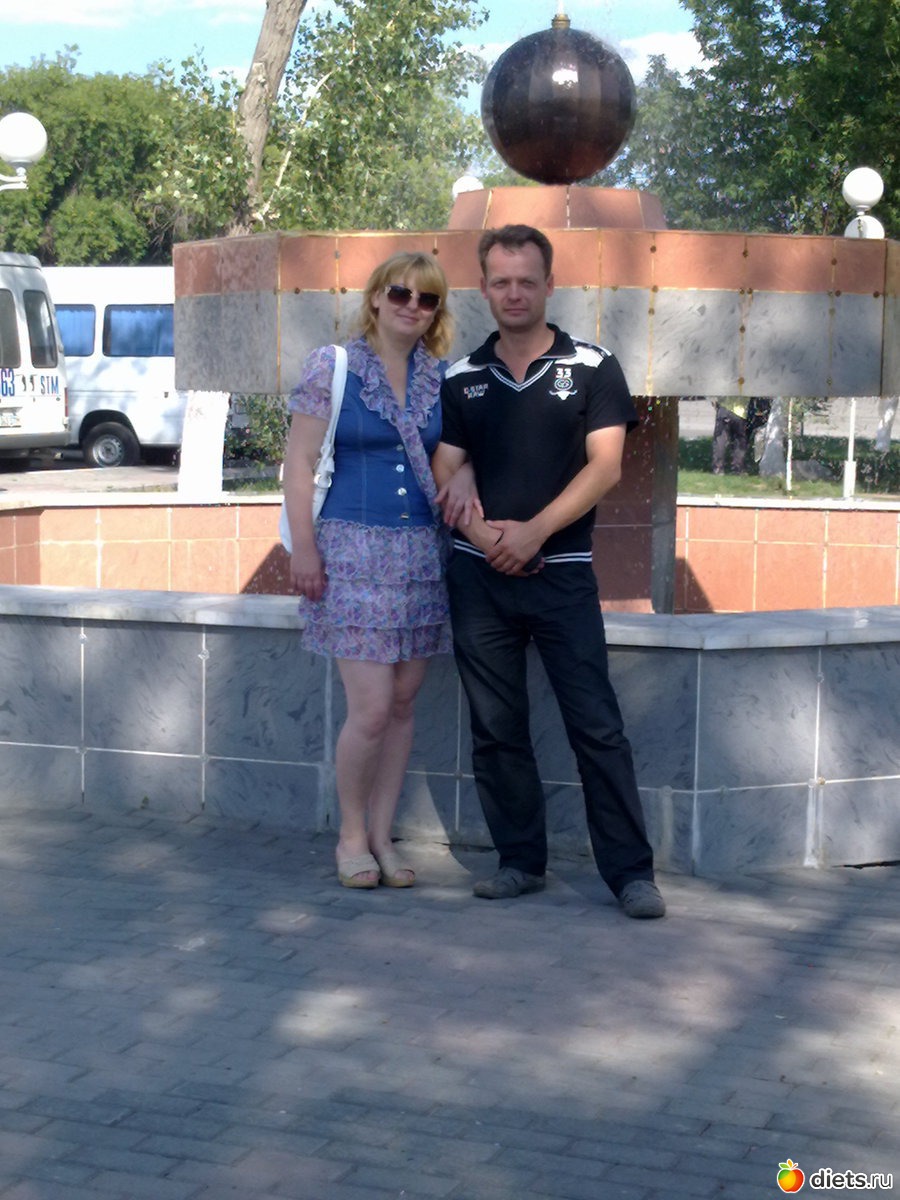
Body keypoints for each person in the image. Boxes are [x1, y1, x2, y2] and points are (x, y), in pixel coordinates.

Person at [433, 224, 665, 919]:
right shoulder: (461, 377)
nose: (514, 293)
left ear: (549, 286)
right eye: (501, 282)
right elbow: (446, 467)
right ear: (484, 288)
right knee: (496, 728)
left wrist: (532, 532)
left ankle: (631, 875)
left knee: (597, 727)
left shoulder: (594, 367)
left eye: (526, 281)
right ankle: (519, 862)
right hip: (480, 578)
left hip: (561, 574)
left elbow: (606, 467)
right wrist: (487, 537)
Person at [282, 252, 452, 890]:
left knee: (403, 705)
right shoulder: (333, 366)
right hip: (350, 555)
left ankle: (382, 835)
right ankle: (351, 836)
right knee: (373, 707)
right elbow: (300, 463)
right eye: (401, 293)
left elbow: (451, 460)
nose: (413, 306)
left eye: (427, 299)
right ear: (377, 297)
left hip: (420, 556)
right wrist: (304, 548)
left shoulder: (441, 378)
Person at [712, 396, 749, 474]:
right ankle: (738, 468)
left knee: (720, 440)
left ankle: (718, 468)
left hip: (724, 409)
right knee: (739, 441)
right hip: (740, 412)